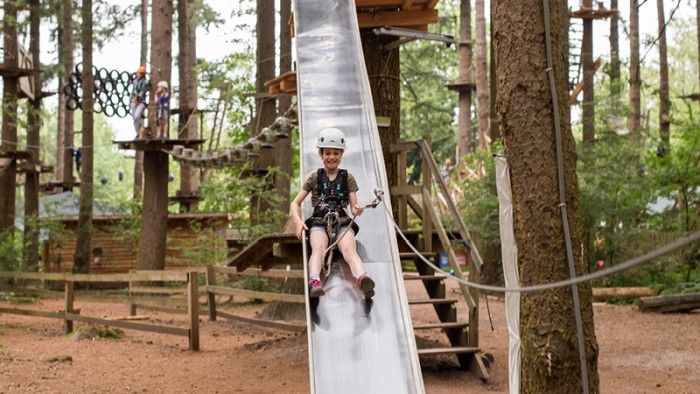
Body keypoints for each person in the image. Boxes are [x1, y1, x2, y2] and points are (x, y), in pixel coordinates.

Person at [290, 127, 375, 299]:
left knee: (350, 250)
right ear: (321, 154)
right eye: (327, 153)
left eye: (336, 153)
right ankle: (314, 281)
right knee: (318, 249)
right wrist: (298, 222)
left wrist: (357, 210)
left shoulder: (347, 178)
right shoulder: (314, 177)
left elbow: (353, 207)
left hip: (341, 220)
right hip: (319, 221)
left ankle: (363, 278)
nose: (331, 157)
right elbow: (295, 203)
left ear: (341, 154)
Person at [130, 66, 149, 139]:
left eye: (138, 73)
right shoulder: (135, 81)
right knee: (134, 118)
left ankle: (142, 126)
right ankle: (138, 133)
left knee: (137, 116)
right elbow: (133, 91)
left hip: (141, 102)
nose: (137, 74)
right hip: (134, 101)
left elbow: (143, 91)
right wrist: (131, 99)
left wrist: (138, 97)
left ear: (141, 74)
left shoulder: (145, 82)